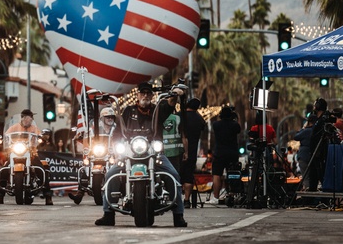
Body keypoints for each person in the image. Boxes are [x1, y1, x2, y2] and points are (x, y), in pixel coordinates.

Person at [96, 83, 186, 226]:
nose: (145, 96)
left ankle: (178, 215)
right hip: (129, 153)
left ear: (152, 95)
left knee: (174, 176)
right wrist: (116, 146)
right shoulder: (127, 111)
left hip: (153, 153)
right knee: (110, 175)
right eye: (142, 93)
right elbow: (119, 131)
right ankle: (108, 213)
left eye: (148, 93)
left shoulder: (158, 109)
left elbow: (170, 104)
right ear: (137, 95)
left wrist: (174, 94)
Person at [0, 108, 52, 205]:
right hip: (15, 153)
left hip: (31, 154)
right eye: (25, 117)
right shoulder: (14, 127)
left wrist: (42, 138)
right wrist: (1, 140)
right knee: (4, 170)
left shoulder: (34, 129)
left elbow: (40, 136)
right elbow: (6, 136)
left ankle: (48, 196)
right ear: (21, 118)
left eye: (30, 118)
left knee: (41, 170)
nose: (27, 120)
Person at [207, 104, 241, 205]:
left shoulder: (216, 125)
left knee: (217, 174)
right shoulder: (235, 125)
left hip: (219, 153)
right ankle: (232, 195)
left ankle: (216, 197)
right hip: (232, 152)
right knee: (233, 174)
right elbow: (238, 129)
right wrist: (235, 117)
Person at [181, 98, 207, 207]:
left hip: (178, 150)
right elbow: (203, 126)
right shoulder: (198, 118)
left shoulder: (179, 115)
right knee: (188, 176)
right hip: (192, 151)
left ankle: (175, 199)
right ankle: (187, 200)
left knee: (176, 175)